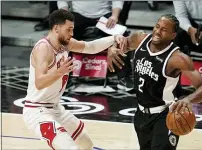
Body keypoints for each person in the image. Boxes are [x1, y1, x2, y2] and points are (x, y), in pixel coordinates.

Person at [23, 9, 126, 150]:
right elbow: (40, 83)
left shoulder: (66, 44)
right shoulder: (43, 48)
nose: (72, 33)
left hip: (55, 108)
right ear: (56, 28)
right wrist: (60, 72)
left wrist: (114, 37)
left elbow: (91, 47)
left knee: (87, 144)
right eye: (69, 29)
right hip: (37, 111)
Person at [108, 14, 202, 150]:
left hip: (165, 115)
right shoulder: (140, 39)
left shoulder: (178, 59)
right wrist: (113, 48)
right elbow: (121, 42)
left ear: (173, 35)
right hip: (141, 114)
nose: (157, 32)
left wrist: (188, 100)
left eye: (164, 30)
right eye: (157, 26)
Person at [57, 1, 134, 91]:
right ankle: (65, 77)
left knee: (122, 36)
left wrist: (114, 16)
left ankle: (124, 77)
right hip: (78, 15)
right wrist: (65, 15)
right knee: (62, 35)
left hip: (105, 16)